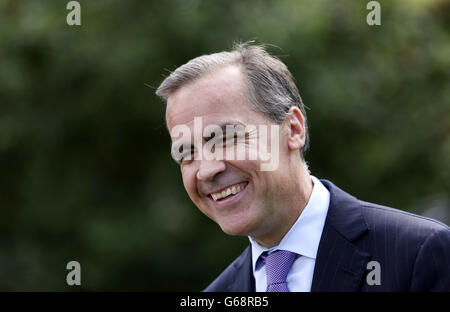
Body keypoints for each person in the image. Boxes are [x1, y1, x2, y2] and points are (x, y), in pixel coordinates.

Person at [155, 42, 450, 292]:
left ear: (293, 129)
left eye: (227, 138)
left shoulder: (417, 255)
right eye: (186, 152)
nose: (207, 170)